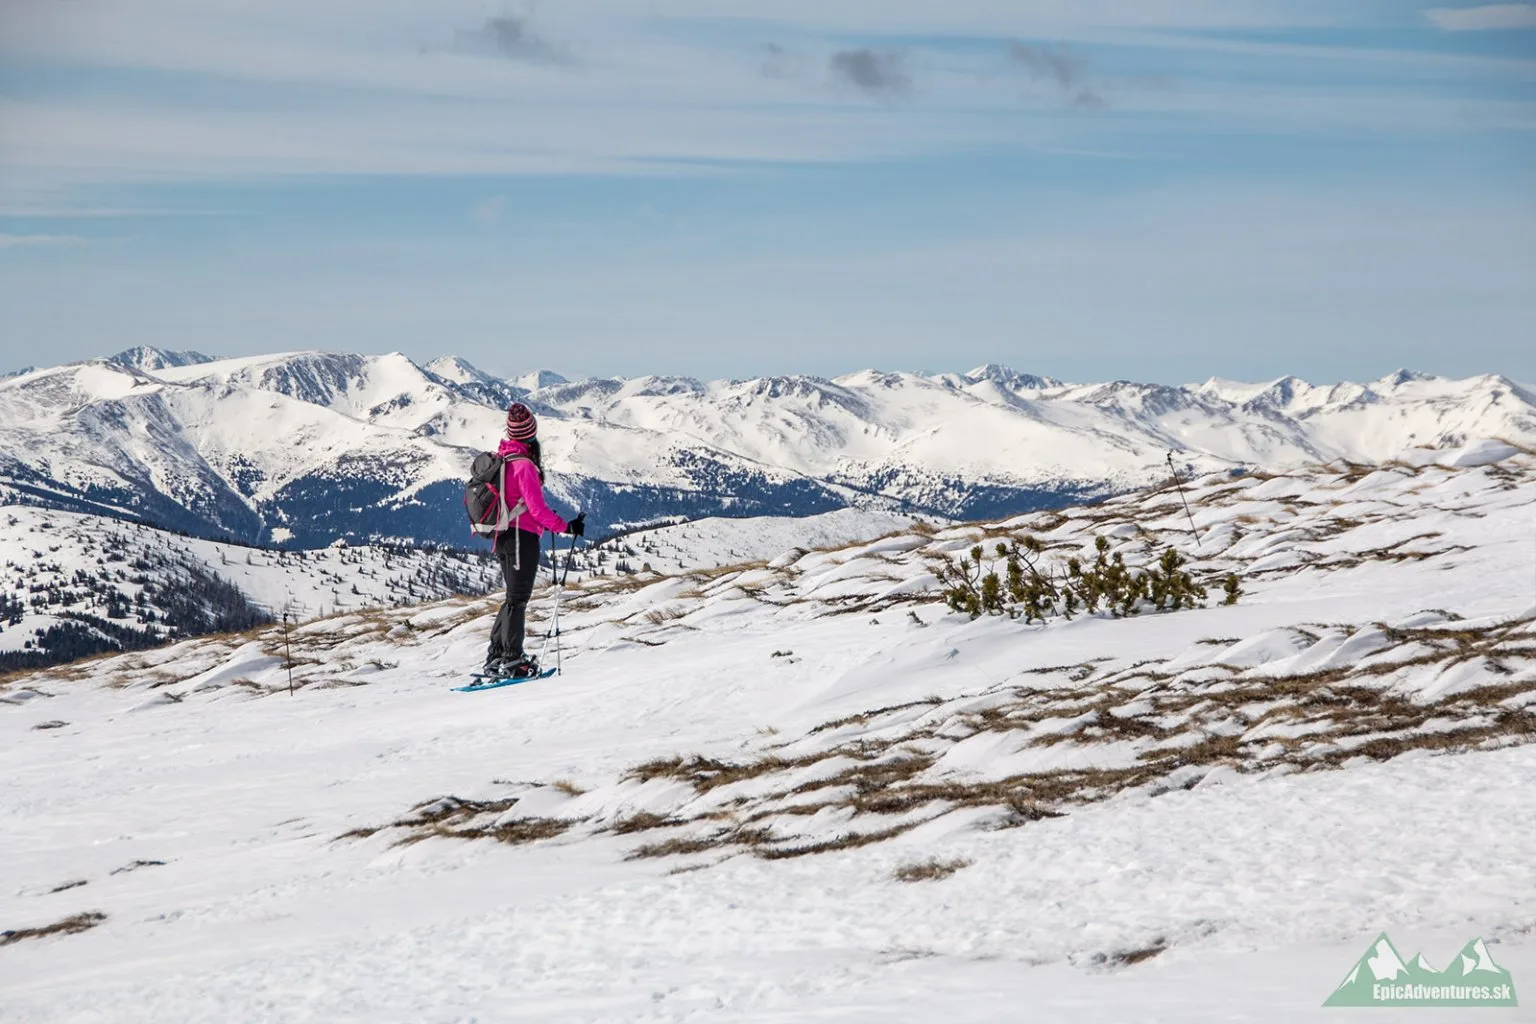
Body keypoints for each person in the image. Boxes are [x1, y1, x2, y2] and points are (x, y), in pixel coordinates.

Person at [484, 402, 585, 679]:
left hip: (503, 536)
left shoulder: (503, 459)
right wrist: (567, 526)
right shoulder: (525, 466)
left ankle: (497, 656)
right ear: (531, 435)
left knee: (512, 598)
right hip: (521, 537)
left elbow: (526, 504)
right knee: (518, 599)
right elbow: (537, 511)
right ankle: (512, 660)